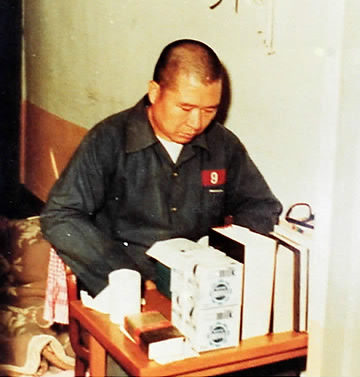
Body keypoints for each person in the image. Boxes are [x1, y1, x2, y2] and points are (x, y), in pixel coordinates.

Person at [40, 39, 282, 298]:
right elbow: (60, 215)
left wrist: (222, 260)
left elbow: (261, 207)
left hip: (197, 286)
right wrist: (125, 278)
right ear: (155, 92)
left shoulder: (222, 144)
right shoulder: (109, 139)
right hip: (124, 284)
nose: (196, 122)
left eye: (209, 110)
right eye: (185, 108)